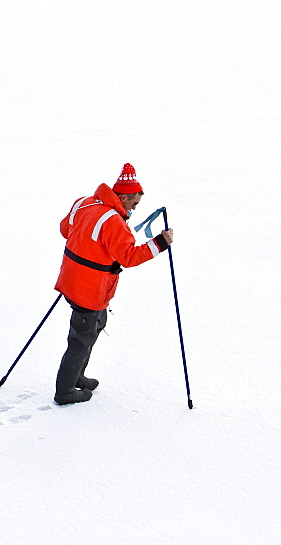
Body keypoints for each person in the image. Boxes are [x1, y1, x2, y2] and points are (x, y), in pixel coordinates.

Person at [53, 163, 173, 405]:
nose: (134, 209)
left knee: (97, 324)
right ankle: (64, 392)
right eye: (134, 204)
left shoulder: (84, 202)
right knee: (81, 337)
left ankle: (77, 376)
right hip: (88, 288)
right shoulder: (114, 223)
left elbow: (65, 230)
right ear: (125, 196)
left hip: (72, 278)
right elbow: (128, 257)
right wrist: (159, 243)